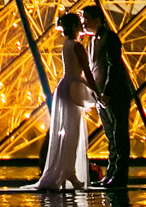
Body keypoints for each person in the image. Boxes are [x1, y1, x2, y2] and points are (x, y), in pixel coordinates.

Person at [26, 12, 98, 191]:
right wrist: (97, 91)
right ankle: (69, 172)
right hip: (73, 87)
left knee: (66, 130)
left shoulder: (67, 44)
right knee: (73, 131)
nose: (83, 26)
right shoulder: (77, 46)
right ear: (74, 27)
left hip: (64, 87)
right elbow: (87, 71)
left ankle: (68, 171)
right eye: (80, 24)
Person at [81, 4, 134, 188]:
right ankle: (112, 173)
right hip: (101, 95)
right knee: (110, 136)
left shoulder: (110, 38)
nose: (83, 23)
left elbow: (114, 66)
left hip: (115, 94)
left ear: (97, 20)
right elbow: (93, 69)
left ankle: (119, 176)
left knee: (119, 135)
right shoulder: (92, 41)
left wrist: (107, 92)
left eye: (86, 19)